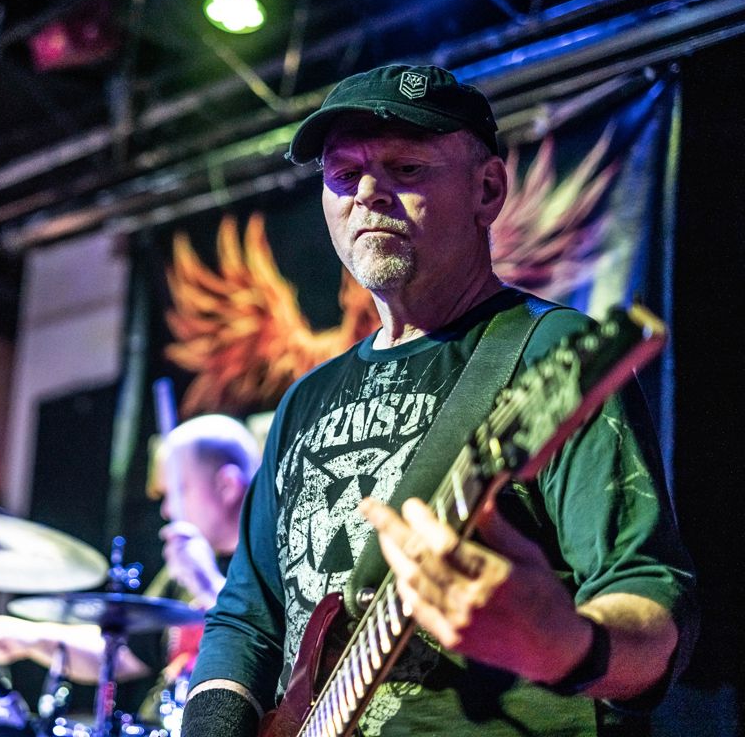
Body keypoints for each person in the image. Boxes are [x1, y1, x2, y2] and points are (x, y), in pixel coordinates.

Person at [181, 65, 697, 737]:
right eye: (344, 174)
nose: (368, 194)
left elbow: (654, 606)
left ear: (487, 190)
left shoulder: (548, 352)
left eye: (405, 168)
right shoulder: (306, 399)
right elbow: (247, 618)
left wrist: (569, 646)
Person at [0, 414, 260, 722]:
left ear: (227, 486)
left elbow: (272, 648)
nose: (167, 510)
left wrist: (207, 584)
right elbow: (120, 654)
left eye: (179, 491)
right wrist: (29, 637)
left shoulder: (272, 568)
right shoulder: (182, 569)